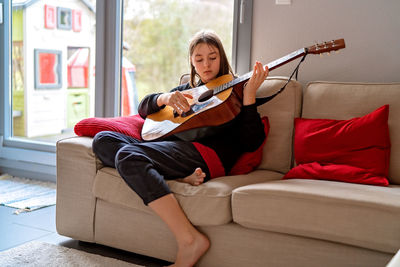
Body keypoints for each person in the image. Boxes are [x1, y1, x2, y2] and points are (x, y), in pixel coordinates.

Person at [92, 30, 269, 267]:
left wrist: (249, 98)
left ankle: (189, 239)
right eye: (199, 59)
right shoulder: (188, 89)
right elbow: (144, 108)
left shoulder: (235, 90)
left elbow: (252, 142)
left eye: (213, 57)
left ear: (222, 58)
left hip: (206, 155)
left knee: (127, 156)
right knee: (103, 140)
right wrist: (165, 98)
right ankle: (179, 177)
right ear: (192, 62)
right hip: (172, 148)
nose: (206, 64)